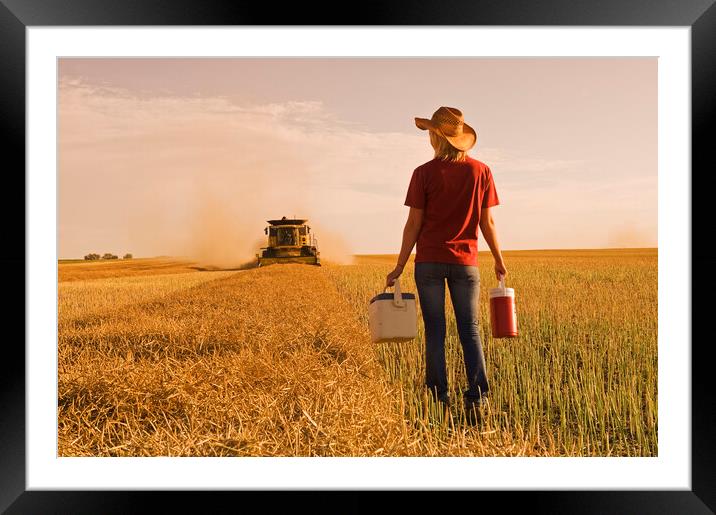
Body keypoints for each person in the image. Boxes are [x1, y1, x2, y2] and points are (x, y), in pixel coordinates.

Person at [385, 106, 507, 423]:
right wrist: (498, 258)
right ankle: (478, 398)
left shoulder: (423, 173)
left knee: (435, 331)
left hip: (428, 263)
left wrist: (399, 265)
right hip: (466, 263)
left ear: (435, 137)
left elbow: (413, 224)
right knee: (470, 331)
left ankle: (439, 398)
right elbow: (487, 223)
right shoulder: (481, 172)